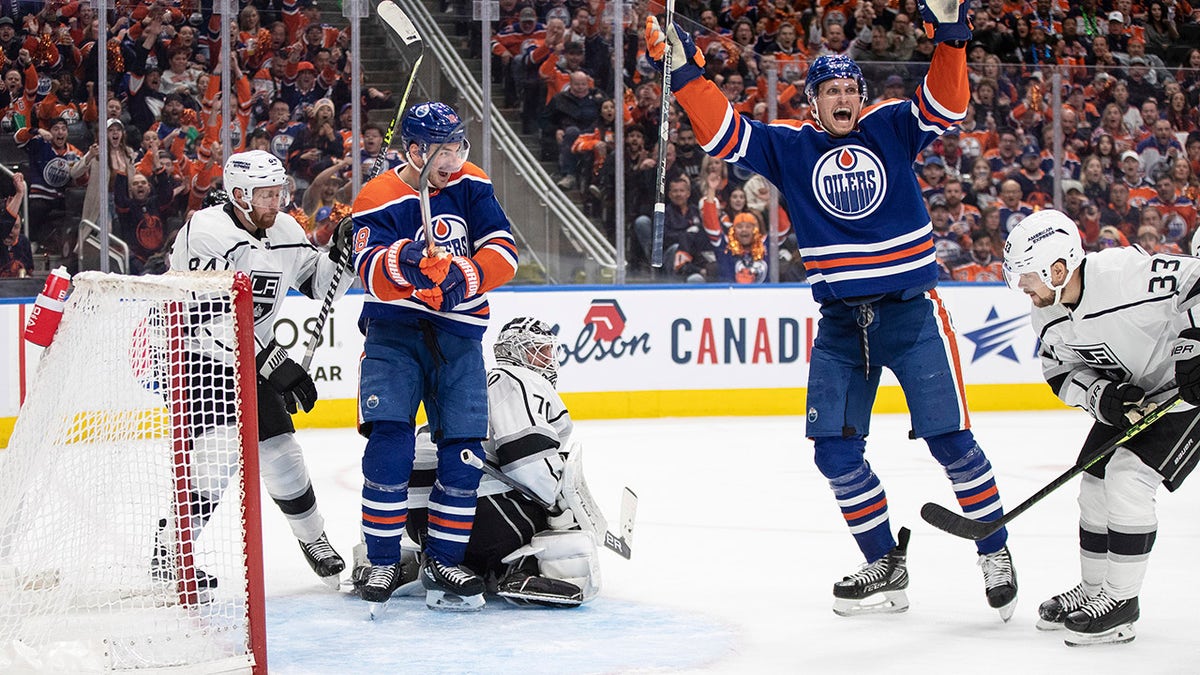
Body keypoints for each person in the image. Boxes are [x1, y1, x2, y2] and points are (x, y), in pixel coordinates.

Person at [645, 1, 1018, 620]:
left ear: (861, 98)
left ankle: (996, 551)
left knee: (952, 444)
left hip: (911, 315)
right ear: (812, 101)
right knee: (834, 453)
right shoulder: (787, 147)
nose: (844, 98)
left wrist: (951, 35)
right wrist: (686, 74)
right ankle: (883, 564)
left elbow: (948, 105)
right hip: (844, 326)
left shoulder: (892, 127)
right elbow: (721, 133)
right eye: (831, 90)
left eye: (852, 89)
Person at [349, 101, 519, 612]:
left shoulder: (472, 183)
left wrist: (462, 277)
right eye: (441, 149)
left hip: (459, 334)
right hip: (394, 333)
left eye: (458, 146)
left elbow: (504, 249)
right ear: (414, 149)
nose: (453, 158)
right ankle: (383, 559)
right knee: (391, 444)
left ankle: (444, 560)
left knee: (465, 451)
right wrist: (408, 265)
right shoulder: (377, 195)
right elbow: (367, 269)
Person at [1003, 209, 1200, 646]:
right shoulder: (1047, 312)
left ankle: (1122, 603)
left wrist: (1197, 345)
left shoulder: (1124, 274)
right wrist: (1104, 398)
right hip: (1138, 394)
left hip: (1185, 392)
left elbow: (1197, 278)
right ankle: (1094, 592)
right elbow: (1060, 374)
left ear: (1058, 268)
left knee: (1128, 478)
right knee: (1092, 484)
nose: (1021, 286)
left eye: (1027, 275)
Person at [168, 150, 353, 589]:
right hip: (198, 356)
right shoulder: (205, 232)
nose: (277, 203)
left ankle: (315, 539)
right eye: (266, 196)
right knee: (215, 460)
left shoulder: (286, 228)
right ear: (238, 196)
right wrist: (275, 363)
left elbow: (318, 285)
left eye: (279, 193)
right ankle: (170, 552)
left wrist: (341, 253)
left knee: (282, 451)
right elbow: (212, 319)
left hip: (255, 357)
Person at [349, 317, 603, 607]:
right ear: (514, 352)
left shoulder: (466, 380)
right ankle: (520, 570)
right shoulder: (518, 380)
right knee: (549, 517)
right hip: (470, 515)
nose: (547, 360)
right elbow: (527, 464)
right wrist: (561, 511)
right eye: (538, 351)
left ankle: (422, 561)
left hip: (413, 519)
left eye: (547, 352)